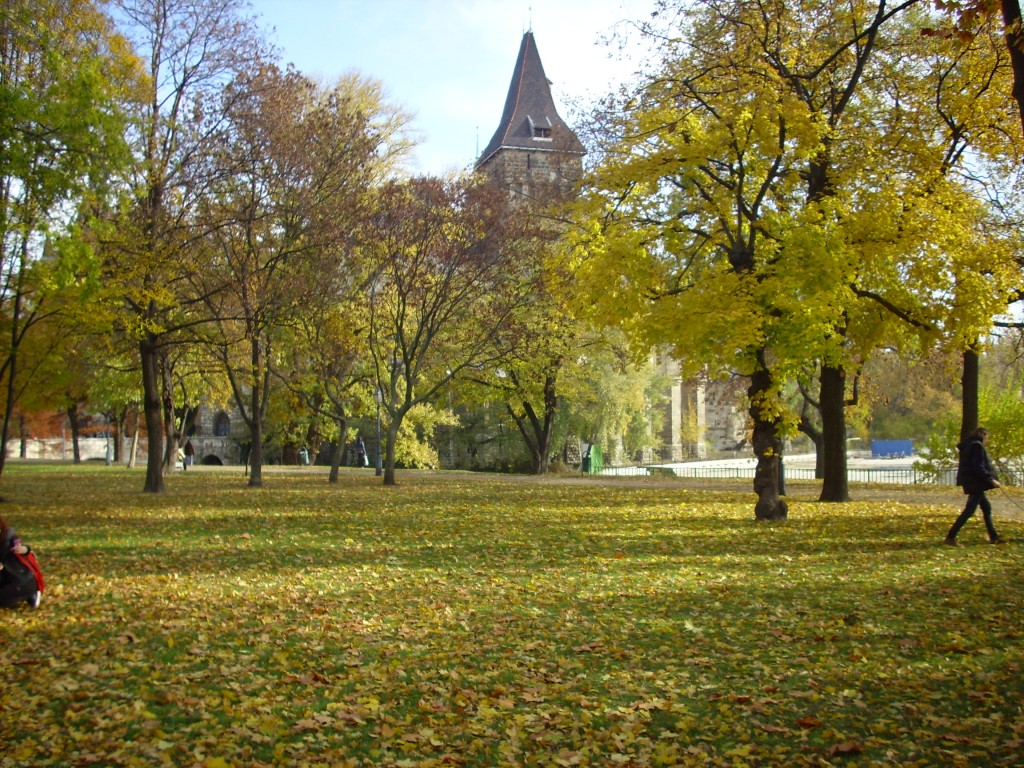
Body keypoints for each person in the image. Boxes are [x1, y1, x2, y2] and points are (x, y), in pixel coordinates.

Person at [945, 427, 1005, 546]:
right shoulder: (977, 446)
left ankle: (994, 536)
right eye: (987, 437)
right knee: (969, 510)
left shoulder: (968, 445)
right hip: (975, 483)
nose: (987, 440)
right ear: (983, 435)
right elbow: (978, 466)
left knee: (986, 507)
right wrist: (991, 480)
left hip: (971, 481)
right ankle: (950, 537)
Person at [0, 515, 41, 608]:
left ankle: (30, 594)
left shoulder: (9, 539)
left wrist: (25, 549)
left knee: (3, 600)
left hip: (19, 577)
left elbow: (20, 549)